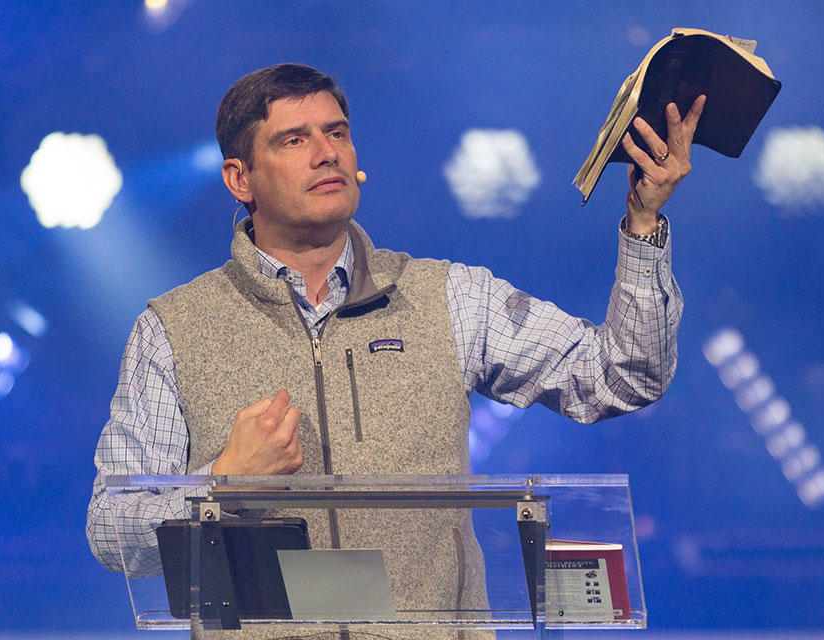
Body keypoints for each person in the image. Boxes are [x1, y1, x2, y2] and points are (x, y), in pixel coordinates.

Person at [86, 63, 703, 636]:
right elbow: (112, 530)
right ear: (239, 179)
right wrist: (223, 482)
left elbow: (622, 376)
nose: (327, 152)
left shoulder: (448, 296)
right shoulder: (173, 328)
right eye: (294, 140)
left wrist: (644, 225)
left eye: (337, 132)